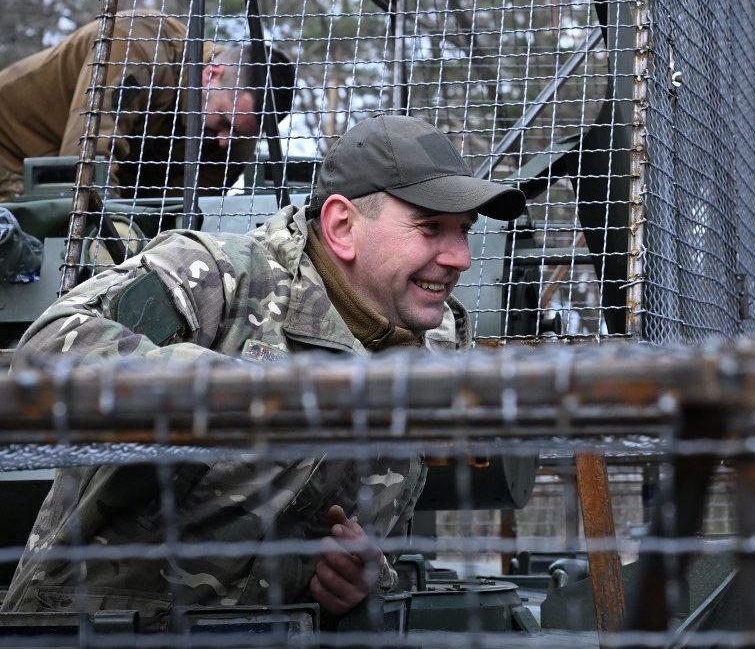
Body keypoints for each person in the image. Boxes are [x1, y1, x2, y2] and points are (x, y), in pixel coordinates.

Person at [0, 115, 526, 629]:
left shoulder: (427, 365)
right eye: (431, 228)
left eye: (464, 232)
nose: (459, 257)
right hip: (91, 630)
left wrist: (360, 584)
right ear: (343, 226)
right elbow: (48, 349)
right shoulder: (220, 276)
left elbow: (363, 544)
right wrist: (246, 397)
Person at [0, 9, 295, 201]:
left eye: (239, 134)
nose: (224, 141)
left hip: (56, 179)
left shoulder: (239, 128)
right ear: (211, 75)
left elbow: (185, 212)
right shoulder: (137, 48)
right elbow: (86, 167)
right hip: (10, 148)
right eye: (225, 123)